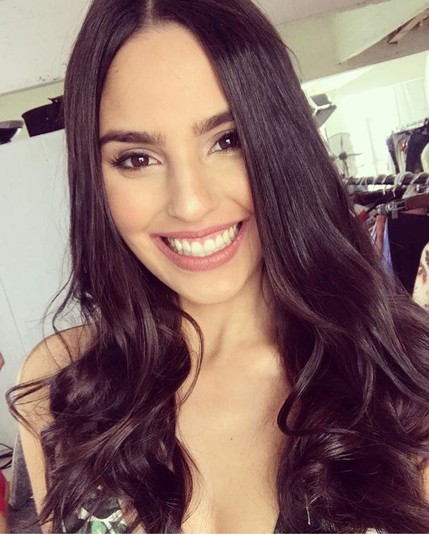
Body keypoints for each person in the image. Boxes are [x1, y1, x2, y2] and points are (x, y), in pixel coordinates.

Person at [8, 0, 429, 532]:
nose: (190, 204)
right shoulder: (61, 385)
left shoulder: (405, 385)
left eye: (228, 140)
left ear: (283, 146)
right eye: (136, 158)